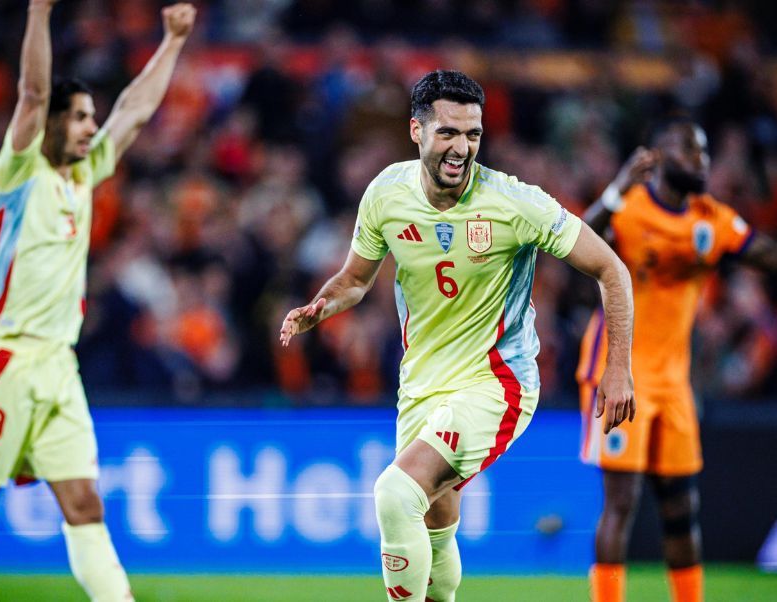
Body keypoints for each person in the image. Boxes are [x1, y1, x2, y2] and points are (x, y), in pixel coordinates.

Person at [280, 69, 636, 602]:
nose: (462, 148)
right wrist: (322, 305)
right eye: (448, 132)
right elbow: (356, 281)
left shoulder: (515, 203)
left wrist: (618, 366)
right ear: (416, 131)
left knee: (396, 493)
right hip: (420, 384)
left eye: (472, 135)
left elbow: (612, 269)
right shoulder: (387, 193)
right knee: (435, 518)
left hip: (495, 384)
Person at [0, 2, 196, 601]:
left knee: (85, 503)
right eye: (81, 118)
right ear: (53, 124)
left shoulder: (84, 177)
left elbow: (134, 111)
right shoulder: (17, 173)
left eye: (91, 117)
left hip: (60, 364)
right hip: (6, 356)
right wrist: (38, 12)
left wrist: (172, 41)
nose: (92, 127)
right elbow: (33, 93)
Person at [577, 116, 777, 602]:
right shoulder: (630, 210)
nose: (702, 161)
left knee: (680, 505)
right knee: (621, 502)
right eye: (692, 151)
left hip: (673, 379)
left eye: (705, 152)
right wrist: (616, 189)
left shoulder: (711, 219)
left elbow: (764, 252)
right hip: (619, 370)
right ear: (661, 156)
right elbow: (578, 240)